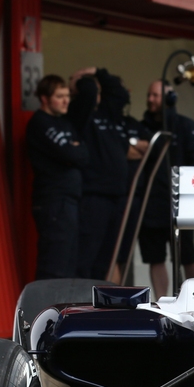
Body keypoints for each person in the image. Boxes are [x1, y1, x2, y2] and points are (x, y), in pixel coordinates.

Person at [136, 80, 194, 297]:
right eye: (149, 95)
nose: (150, 100)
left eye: (155, 95)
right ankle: (161, 303)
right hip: (151, 204)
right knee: (155, 257)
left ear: (169, 99)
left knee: (188, 256)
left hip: (181, 204)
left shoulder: (187, 126)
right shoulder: (143, 128)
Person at [69, 67, 133, 280]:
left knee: (107, 258)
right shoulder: (79, 113)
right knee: (87, 257)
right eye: (94, 89)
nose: (97, 93)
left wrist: (100, 71)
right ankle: (82, 305)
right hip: (93, 196)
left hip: (116, 195)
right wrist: (81, 79)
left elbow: (120, 94)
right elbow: (87, 93)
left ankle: (98, 307)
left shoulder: (108, 113)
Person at [26, 75, 87, 279]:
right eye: (59, 96)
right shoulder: (40, 123)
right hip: (53, 201)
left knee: (69, 264)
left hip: (68, 200)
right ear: (44, 98)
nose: (65, 100)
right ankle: (43, 310)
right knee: (54, 264)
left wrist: (74, 152)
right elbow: (71, 154)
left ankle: (63, 310)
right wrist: (73, 152)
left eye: (67, 96)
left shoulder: (65, 123)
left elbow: (83, 155)